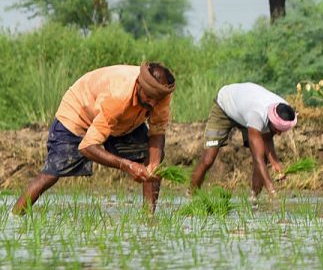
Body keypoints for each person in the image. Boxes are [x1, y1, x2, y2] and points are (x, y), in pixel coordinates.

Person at [13, 62, 176, 215]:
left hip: (122, 121)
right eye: (149, 97)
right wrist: (127, 165)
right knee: (51, 174)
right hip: (79, 114)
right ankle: (14, 217)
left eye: (157, 99)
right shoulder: (118, 95)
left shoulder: (161, 93)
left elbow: (157, 130)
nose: (153, 104)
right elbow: (87, 146)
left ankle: (148, 219)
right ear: (139, 85)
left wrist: (154, 165)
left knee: (154, 159)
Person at [189, 82, 297, 199]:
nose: (279, 133)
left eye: (282, 130)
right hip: (225, 105)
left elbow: (267, 137)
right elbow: (258, 158)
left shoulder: (284, 110)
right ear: (271, 120)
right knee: (208, 159)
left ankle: (254, 199)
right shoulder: (256, 116)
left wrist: (275, 163)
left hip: (245, 110)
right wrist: (272, 191)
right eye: (277, 130)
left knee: (265, 158)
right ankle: (191, 195)